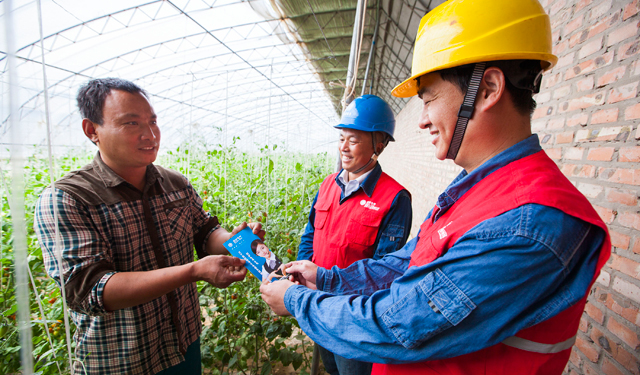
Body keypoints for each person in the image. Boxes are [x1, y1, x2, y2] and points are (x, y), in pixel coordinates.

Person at [260, 1, 611, 374]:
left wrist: (298, 301)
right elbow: (408, 262)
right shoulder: (475, 190)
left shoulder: (532, 224)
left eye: (428, 100)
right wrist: (329, 278)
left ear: (488, 88)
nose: (422, 120)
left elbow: (400, 324)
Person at [34, 78, 264, 375]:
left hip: (183, 342)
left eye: (153, 121)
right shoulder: (69, 198)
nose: (150, 134)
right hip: (122, 359)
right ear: (92, 131)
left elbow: (205, 232)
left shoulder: (175, 184)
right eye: (131, 124)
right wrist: (193, 271)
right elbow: (92, 289)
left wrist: (236, 240)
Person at [296, 94, 412, 375]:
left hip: (354, 321)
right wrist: (299, 274)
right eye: (341, 138)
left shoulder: (394, 199)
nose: (343, 148)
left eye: (354, 140)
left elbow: (386, 271)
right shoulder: (327, 186)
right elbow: (310, 235)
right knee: (330, 369)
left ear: (379, 144)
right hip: (319, 306)